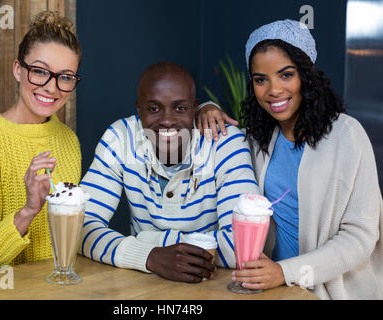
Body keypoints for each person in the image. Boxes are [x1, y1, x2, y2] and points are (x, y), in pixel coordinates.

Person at [197, 19, 382, 299]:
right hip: (273, 290)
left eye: (286, 75)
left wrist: (285, 271)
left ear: (306, 76)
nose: (273, 90)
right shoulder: (255, 139)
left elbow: (360, 237)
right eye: (261, 79)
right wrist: (205, 107)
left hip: (331, 293)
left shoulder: (347, 136)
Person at [78, 62, 259, 282]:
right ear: (139, 110)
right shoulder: (120, 139)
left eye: (180, 108)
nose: (167, 120)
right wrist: (150, 257)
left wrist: (148, 241)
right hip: (143, 285)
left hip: (213, 287)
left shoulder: (225, 142)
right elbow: (78, 226)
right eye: (154, 108)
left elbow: (242, 246)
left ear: (195, 109)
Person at [0, 11, 83, 290]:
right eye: (39, 71)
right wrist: (28, 210)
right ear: (18, 70)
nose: (51, 87)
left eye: (65, 77)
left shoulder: (68, 141)